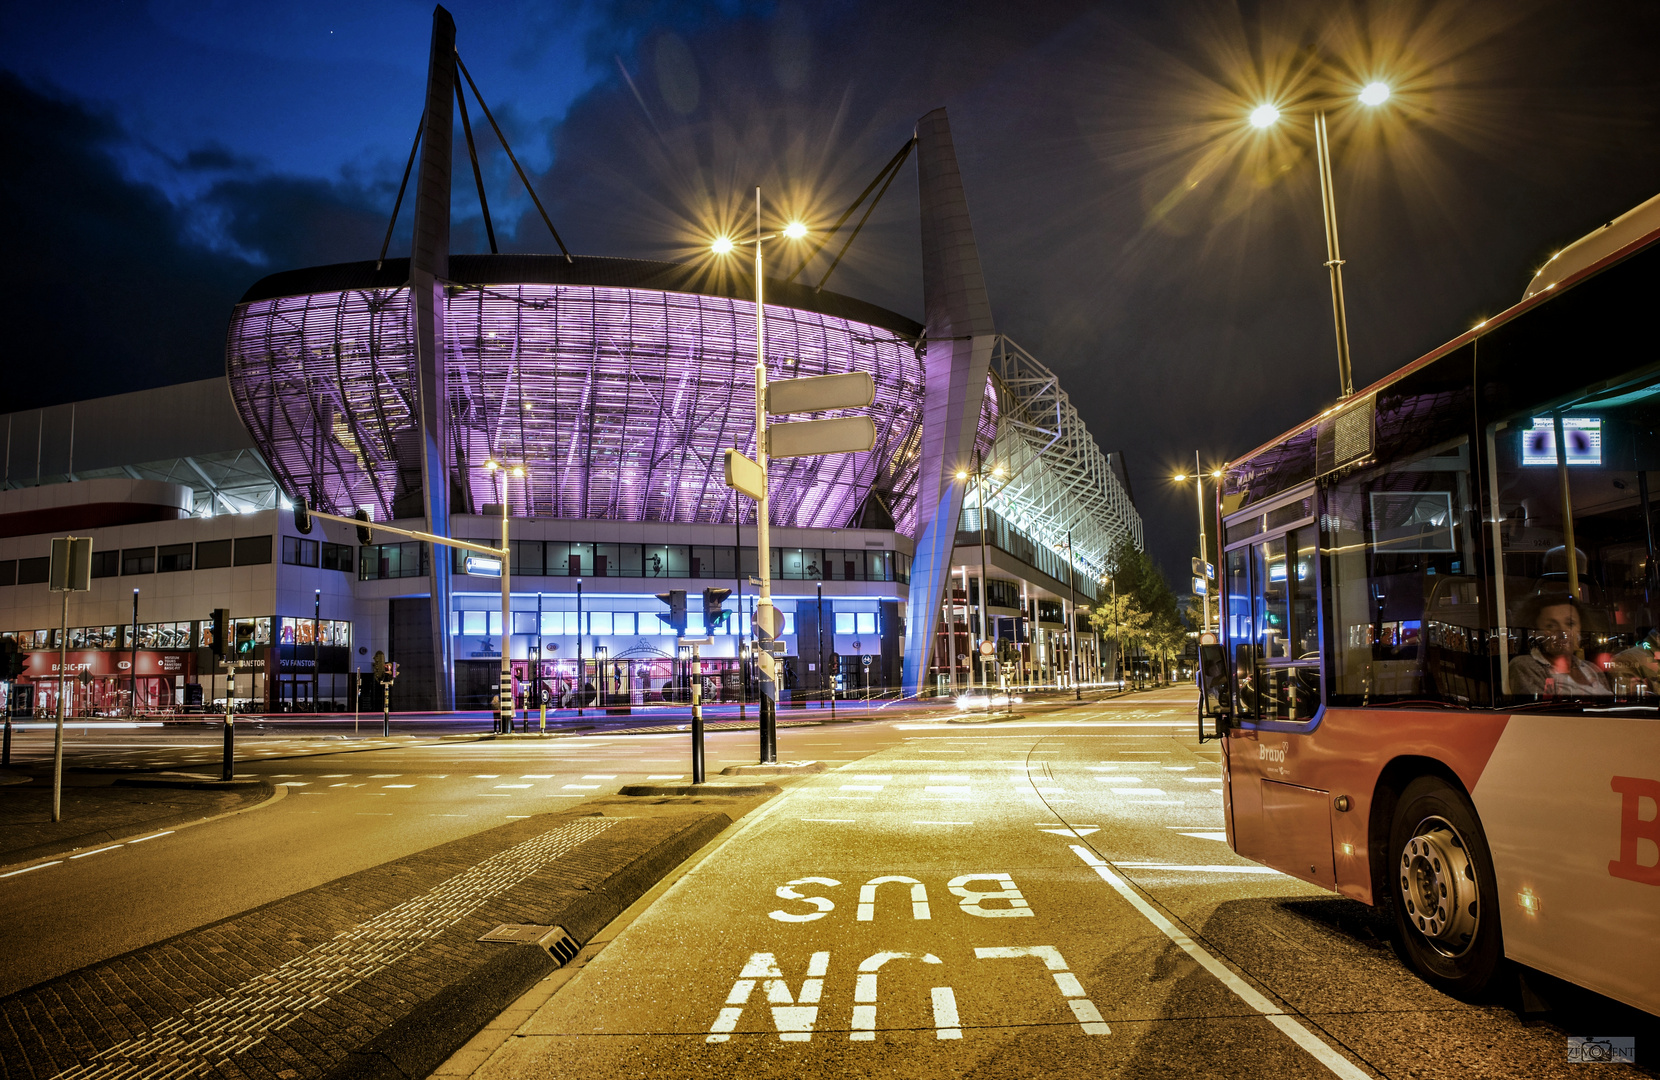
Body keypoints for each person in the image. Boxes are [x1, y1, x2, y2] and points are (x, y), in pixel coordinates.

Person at [1507, 587, 1611, 698]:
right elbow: (1543, 710)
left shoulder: (1591, 669)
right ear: (1535, 632)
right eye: (1551, 626)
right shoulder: (1525, 666)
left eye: (1570, 624)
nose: (1562, 632)